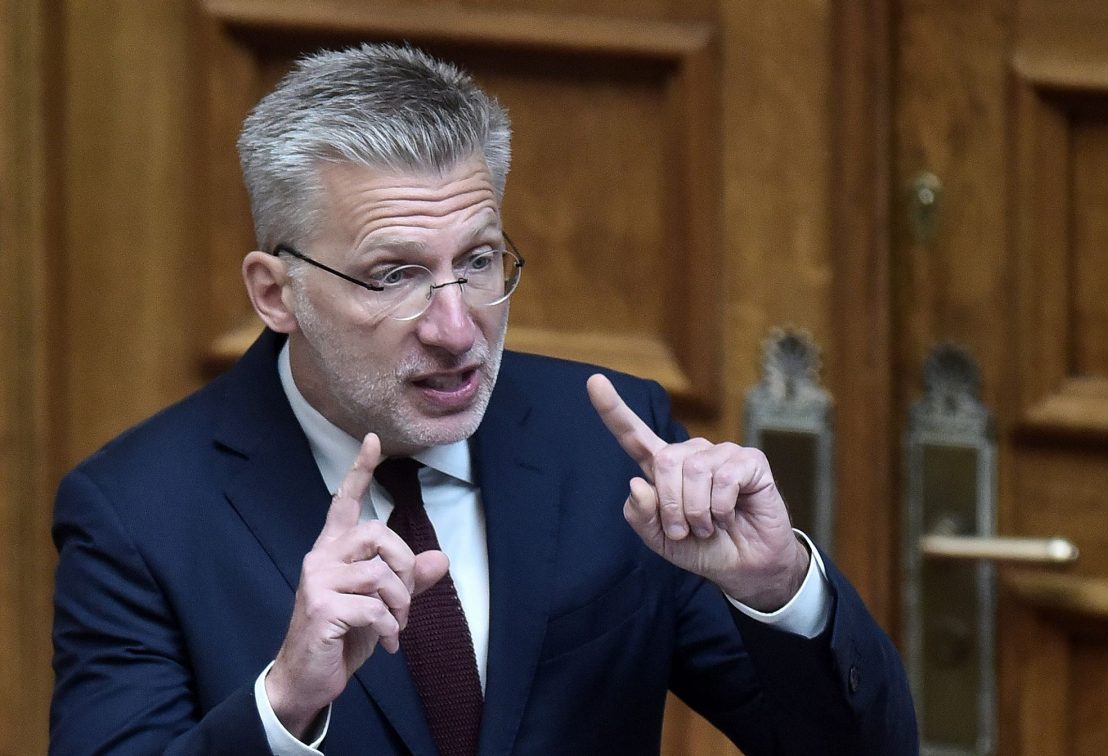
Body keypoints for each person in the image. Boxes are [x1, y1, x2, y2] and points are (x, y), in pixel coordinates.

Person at [50, 43, 917, 755]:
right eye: (394, 275)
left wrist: (778, 587)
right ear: (276, 293)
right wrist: (283, 704)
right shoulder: (137, 514)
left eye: (477, 261)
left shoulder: (608, 447)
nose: (457, 327)